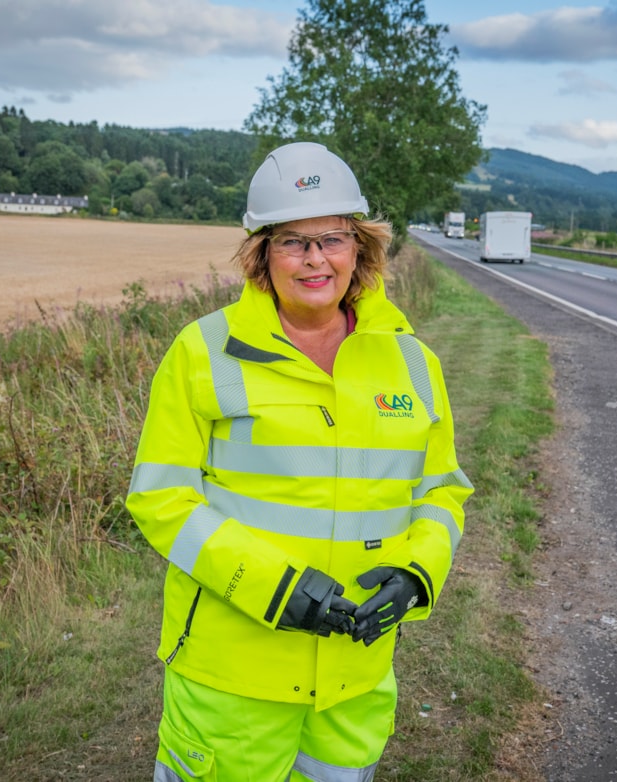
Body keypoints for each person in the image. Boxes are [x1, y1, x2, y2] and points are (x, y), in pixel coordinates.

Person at [126, 141, 474, 781]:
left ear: (360, 249)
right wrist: (271, 586)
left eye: (333, 239)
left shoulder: (414, 364)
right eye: (292, 241)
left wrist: (417, 575)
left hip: (355, 679)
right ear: (261, 254)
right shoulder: (203, 352)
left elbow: (442, 492)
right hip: (232, 675)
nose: (315, 259)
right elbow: (160, 498)